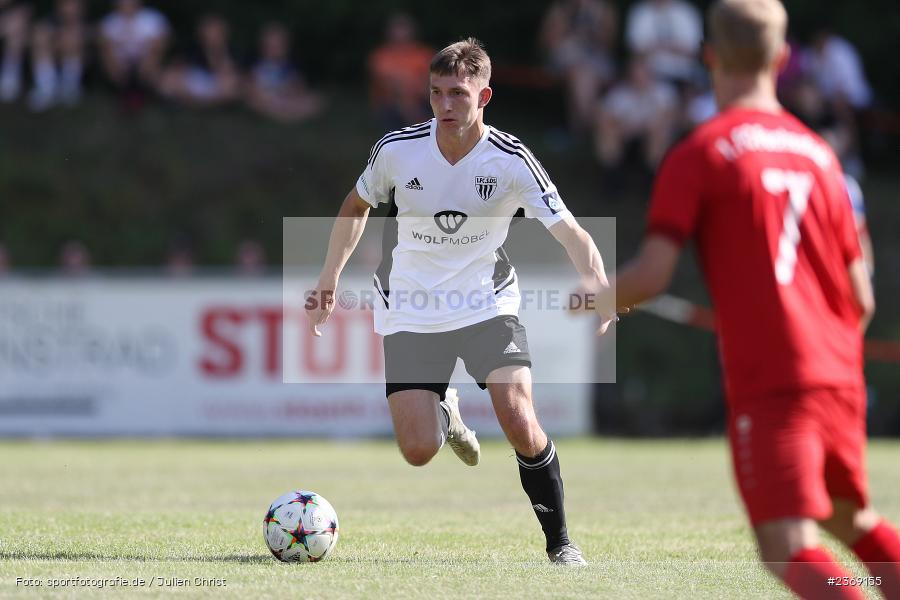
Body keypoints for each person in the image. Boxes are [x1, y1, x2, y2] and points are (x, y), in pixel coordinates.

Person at [601, 1, 900, 598]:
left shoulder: (702, 151)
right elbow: (861, 297)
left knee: (784, 547)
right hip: (838, 372)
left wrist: (590, 301)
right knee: (850, 520)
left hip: (774, 377)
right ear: (783, 59)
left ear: (709, 56)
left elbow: (653, 274)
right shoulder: (823, 157)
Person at [306, 38, 615, 565]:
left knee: (518, 416)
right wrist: (329, 278)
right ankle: (446, 413)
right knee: (419, 450)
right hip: (409, 305)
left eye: (458, 94)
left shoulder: (512, 160)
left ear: (484, 96)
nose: (445, 106)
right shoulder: (398, 150)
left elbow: (571, 232)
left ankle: (561, 544)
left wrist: (597, 282)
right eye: (436, 94)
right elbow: (355, 206)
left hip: (484, 301)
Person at [539, 0, 618, 135]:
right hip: (566, 58)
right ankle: (593, 125)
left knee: (583, 76)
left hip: (595, 61)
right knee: (580, 75)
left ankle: (581, 128)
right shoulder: (561, 9)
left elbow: (609, 43)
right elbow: (547, 42)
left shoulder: (603, 10)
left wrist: (593, 27)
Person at [594, 55, 678, 174]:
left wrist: (649, 126)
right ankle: (612, 177)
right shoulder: (619, 94)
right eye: (636, 73)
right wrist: (621, 127)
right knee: (607, 133)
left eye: (643, 73)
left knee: (660, 133)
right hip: (625, 135)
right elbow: (605, 116)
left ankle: (651, 177)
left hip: (652, 133)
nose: (640, 77)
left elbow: (671, 115)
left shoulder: (663, 92)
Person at [98, 0, 169, 110]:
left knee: (150, 60)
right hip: (121, 60)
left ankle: (141, 96)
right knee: (111, 61)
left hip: (145, 59)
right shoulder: (110, 22)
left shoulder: (153, 19)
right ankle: (124, 96)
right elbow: (105, 46)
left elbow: (160, 44)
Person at [245, 22, 322, 122]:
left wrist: (292, 89)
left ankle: (287, 113)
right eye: (270, 47)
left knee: (314, 99)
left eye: (278, 47)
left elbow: (298, 84)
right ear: (263, 49)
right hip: (267, 97)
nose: (274, 50)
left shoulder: (288, 67)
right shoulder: (259, 67)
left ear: (285, 48)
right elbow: (251, 83)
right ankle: (285, 114)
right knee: (255, 101)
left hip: (285, 96)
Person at [157, 14, 240, 108]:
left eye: (216, 32)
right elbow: (178, 68)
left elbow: (231, 75)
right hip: (195, 86)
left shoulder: (231, 52)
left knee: (231, 85)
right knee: (169, 79)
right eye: (210, 32)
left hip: (216, 87)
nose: (213, 36)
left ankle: (201, 105)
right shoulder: (191, 50)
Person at [367, 13, 433, 129]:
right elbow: (388, 85)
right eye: (397, 28)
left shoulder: (424, 54)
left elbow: (431, 80)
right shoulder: (381, 57)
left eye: (403, 28)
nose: (400, 33)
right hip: (390, 104)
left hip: (422, 99)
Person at [27, 0, 89, 111]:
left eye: (73, 4)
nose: (70, 8)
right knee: (41, 39)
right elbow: (41, 34)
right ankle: (46, 89)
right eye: (66, 4)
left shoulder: (85, 23)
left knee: (72, 40)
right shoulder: (51, 21)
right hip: (54, 59)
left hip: (81, 66)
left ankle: (70, 88)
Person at [625, 0, 703, 87]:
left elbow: (695, 50)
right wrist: (672, 46)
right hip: (650, 79)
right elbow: (636, 51)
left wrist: (658, 46)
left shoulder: (687, 12)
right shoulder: (640, 12)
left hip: (683, 77)